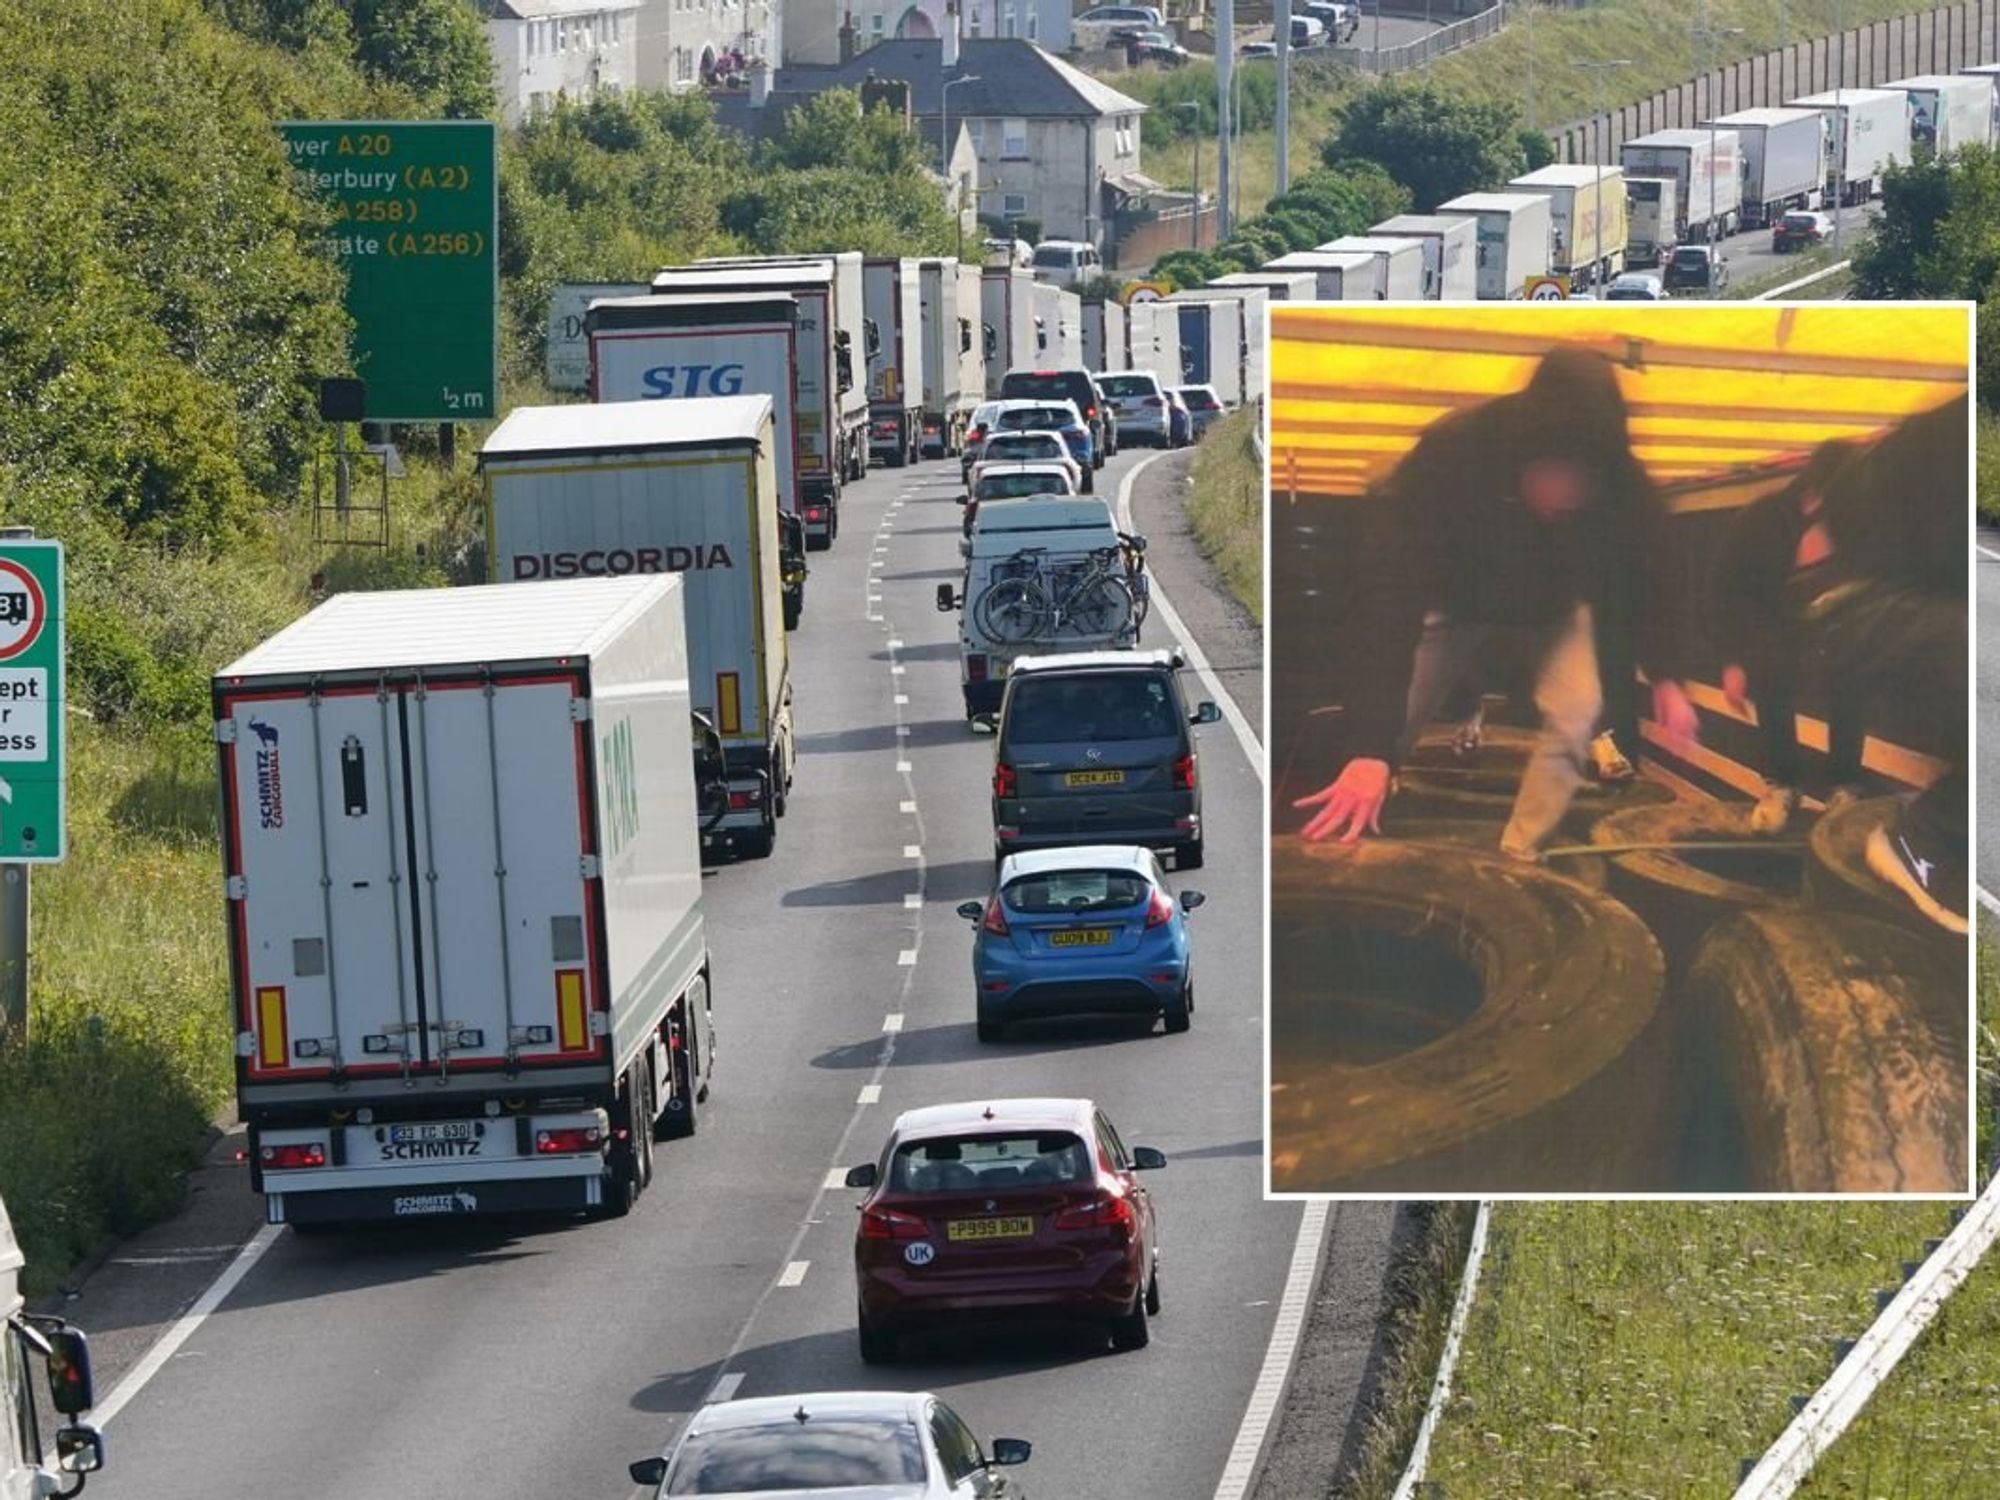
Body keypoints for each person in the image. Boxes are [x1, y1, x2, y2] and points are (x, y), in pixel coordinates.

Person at [1294, 345, 1698, 858]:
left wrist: (1667, 675)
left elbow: (1658, 575)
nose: (1568, 498)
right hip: (1452, 602)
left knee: (1579, 712)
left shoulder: (1623, 480)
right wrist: (1372, 747)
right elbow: (1387, 601)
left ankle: (1520, 853)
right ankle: (1363, 804)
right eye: (1555, 477)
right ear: (1522, 459)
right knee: (1388, 725)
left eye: (1583, 483)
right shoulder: (1452, 453)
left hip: (1552, 610)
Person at [1783, 395, 1967, 933]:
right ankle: (1917, 837)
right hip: (1848, 601)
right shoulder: (1787, 522)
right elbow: (1735, 597)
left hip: (1910, 588)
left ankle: (1859, 791)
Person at [1711, 439, 1869, 832]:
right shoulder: (1760, 519)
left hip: (1831, 618)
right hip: (1769, 617)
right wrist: (1733, 660)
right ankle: (1784, 785)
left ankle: (1844, 786)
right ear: (1813, 492)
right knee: (1769, 670)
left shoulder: (1855, 523)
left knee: (1853, 670)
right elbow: (1724, 590)